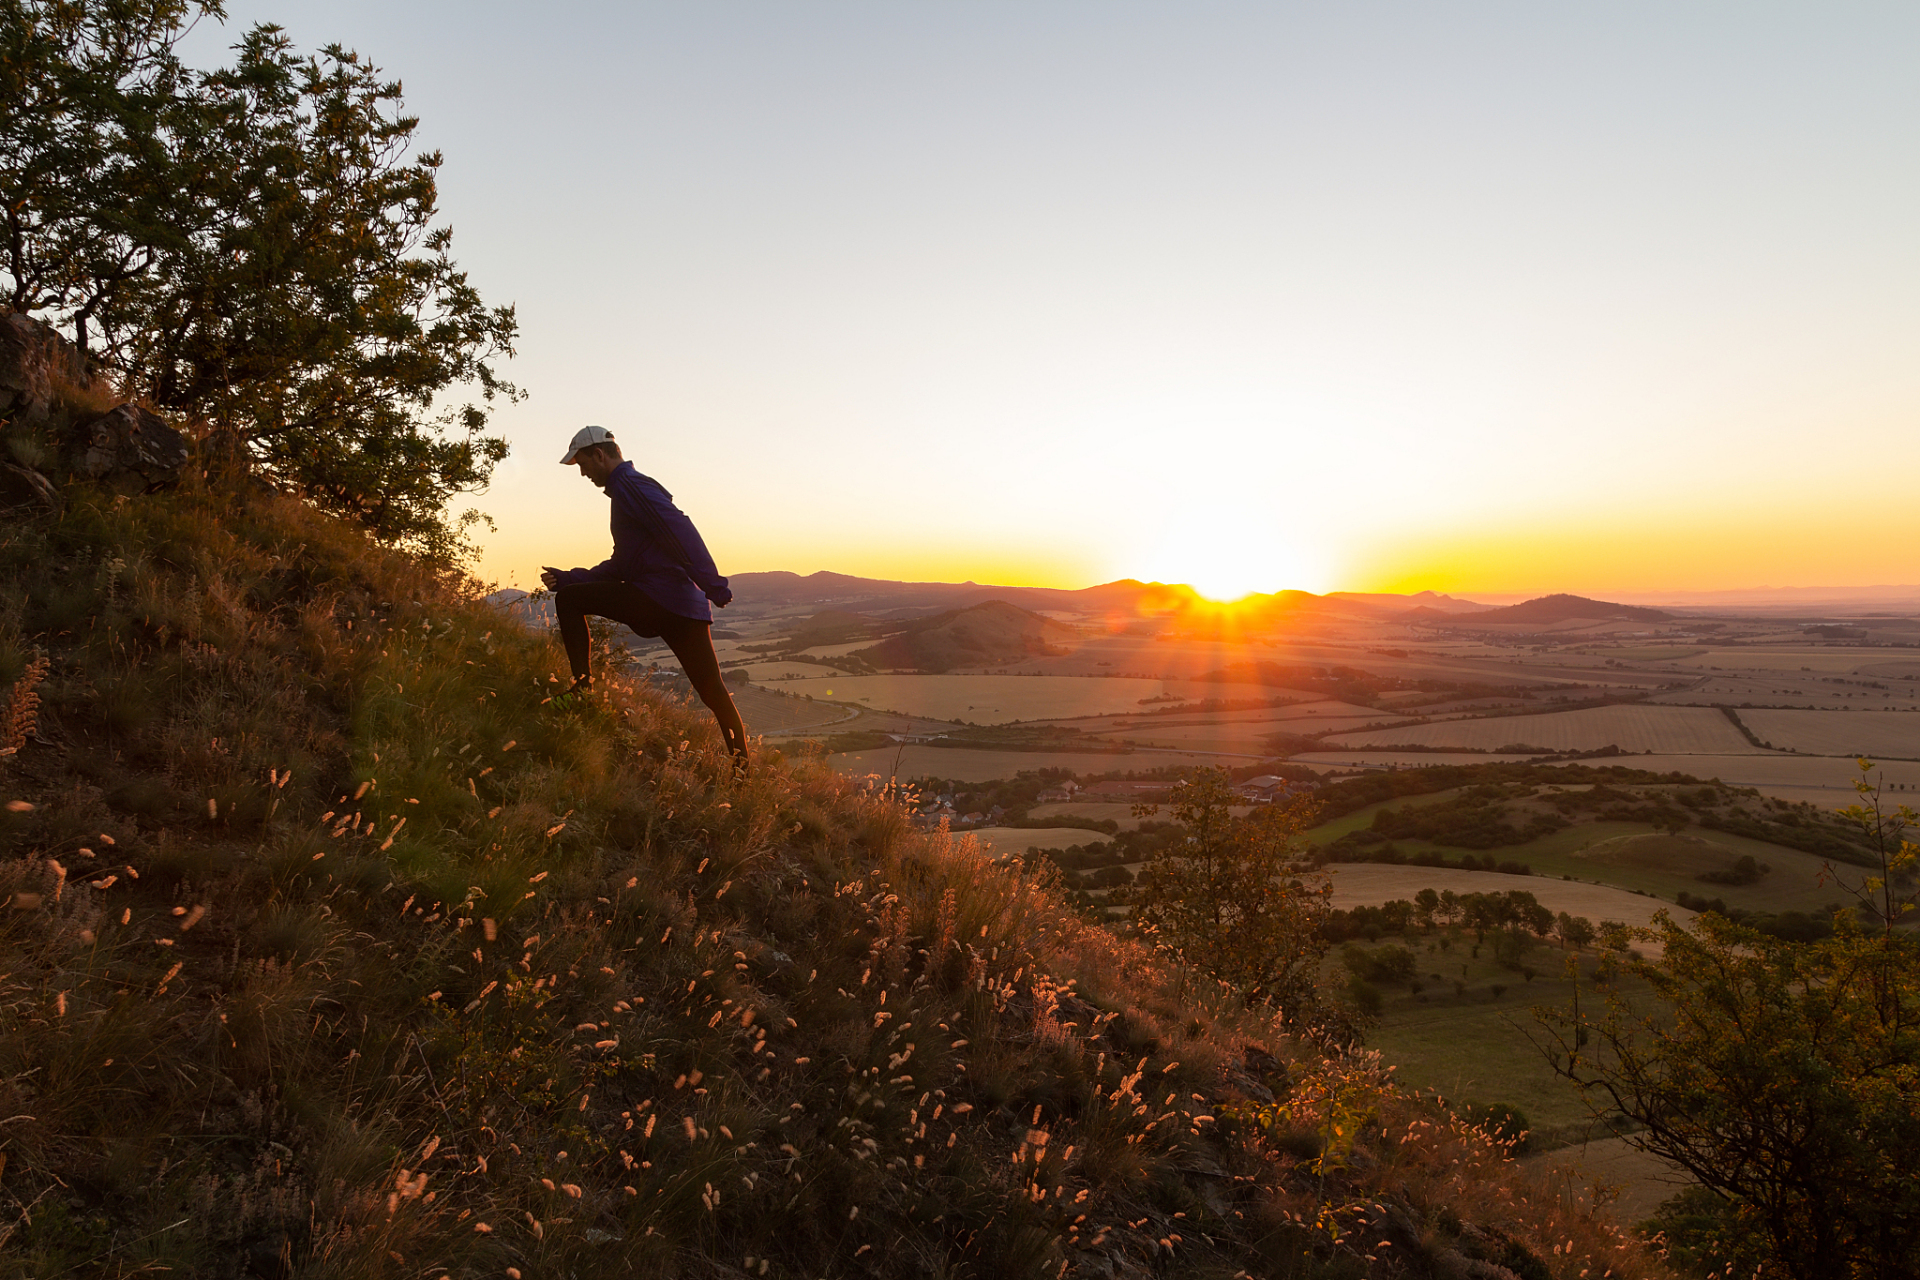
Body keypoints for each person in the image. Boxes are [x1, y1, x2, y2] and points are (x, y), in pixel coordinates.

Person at [539, 425, 749, 771]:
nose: (582, 472)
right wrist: (570, 578)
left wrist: (713, 583)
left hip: (656, 598)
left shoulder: (630, 486)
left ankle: (582, 689)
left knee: (571, 601)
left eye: (582, 463)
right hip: (684, 607)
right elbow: (622, 563)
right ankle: (742, 772)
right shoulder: (626, 491)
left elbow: (678, 528)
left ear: (600, 454)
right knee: (714, 692)